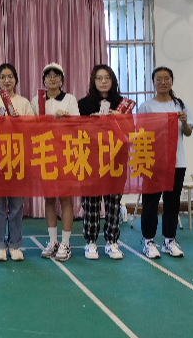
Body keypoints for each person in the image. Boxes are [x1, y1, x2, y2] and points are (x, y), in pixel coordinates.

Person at [139, 66, 193, 259]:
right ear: (153, 82)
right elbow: (139, 133)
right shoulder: (146, 107)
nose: (163, 82)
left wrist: (184, 121)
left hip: (176, 161)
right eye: (159, 79)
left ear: (172, 81)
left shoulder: (180, 105)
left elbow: (188, 132)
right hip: (152, 161)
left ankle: (169, 240)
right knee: (150, 202)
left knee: (172, 202)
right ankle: (148, 241)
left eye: (166, 79)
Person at [0, 63, 33, 262]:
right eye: (2, 77)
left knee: (17, 205)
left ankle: (15, 244)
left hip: (18, 158)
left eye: (10, 76)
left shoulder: (24, 103)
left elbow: (33, 128)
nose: (6, 80)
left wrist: (20, 121)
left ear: (16, 79)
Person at [31, 62, 79, 262]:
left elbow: (78, 125)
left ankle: (66, 243)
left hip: (65, 152)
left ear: (62, 79)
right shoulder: (36, 101)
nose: (52, 79)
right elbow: (31, 127)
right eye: (48, 76)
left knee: (65, 198)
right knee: (49, 198)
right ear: (43, 80)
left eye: (56, 75)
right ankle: (53, 241)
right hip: (45, 153)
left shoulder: (70, 99)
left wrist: (64, 119)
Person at [77, 64, 125, 260]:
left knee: (114, 202)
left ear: (112, 80)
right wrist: (91, 123)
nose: (103, 81)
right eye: (99, 78)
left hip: (116, 159)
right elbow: (75, 132)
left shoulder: (123, 104)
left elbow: (133, 130)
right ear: (93, 81)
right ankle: (91, 242)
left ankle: (112, 242)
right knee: (91, 203)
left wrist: (120, 119)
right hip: (91, 159)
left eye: (107, 78)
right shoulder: (83, 104)